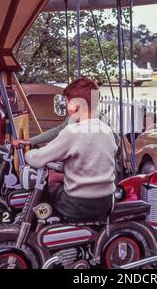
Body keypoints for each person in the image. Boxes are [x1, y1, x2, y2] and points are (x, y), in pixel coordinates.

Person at [24, 78, 118, 222]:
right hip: (105, 202)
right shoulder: (107, 130)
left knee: (50, 189)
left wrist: (29, 153)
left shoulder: (72, 132)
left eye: (67, 103)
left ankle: (45, 224)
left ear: (75, 106)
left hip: (77, 205)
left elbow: (38, 160)